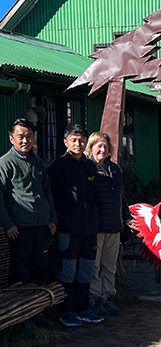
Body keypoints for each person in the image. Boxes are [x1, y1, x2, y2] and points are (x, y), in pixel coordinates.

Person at [0, 119, 57, 328]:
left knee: (40, 268)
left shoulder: (38, 163)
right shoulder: (5, 163)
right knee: (19, 270)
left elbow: (47, 193)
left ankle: (37, 312)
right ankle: (19, 318)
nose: (26, 140)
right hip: (20, 228)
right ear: (11, 138)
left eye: (29, 136)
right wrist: (8, 224)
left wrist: (53, 219)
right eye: (21, 136)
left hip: (42, 226)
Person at [48, 124, 104, 326]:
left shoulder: (90, 166)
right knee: (68, 272)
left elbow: (94, 197)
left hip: (89, 229)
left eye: (81, 140)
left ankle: (83, 309)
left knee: (86, 271)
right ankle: (67, 311)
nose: (78, 144)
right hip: (68, 229)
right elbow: (51, 198)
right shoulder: (58, 167)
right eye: (74, 140)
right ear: (66, 142)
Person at [86, 132, 126, 317]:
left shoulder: (115, 169)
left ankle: (107, 296)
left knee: (110, 265)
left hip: (114, 225)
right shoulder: (87, 169)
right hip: (96, 226)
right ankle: (94, 298)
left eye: (105, 146)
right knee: (95, 265)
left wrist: (126, 216)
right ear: (92, 147)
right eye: (98, 146)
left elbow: (121, 197)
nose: (102, 150)